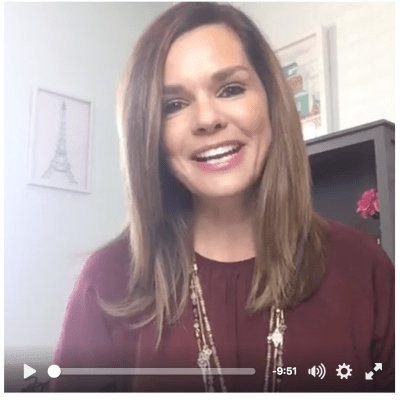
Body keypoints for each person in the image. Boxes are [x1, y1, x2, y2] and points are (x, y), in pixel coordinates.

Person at [49, 2, 394, 392]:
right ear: (149, 133)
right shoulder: (109, 281)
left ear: (271, 102)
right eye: (174, 105)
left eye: (230, 89)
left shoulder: (363, 267)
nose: (207, 119)